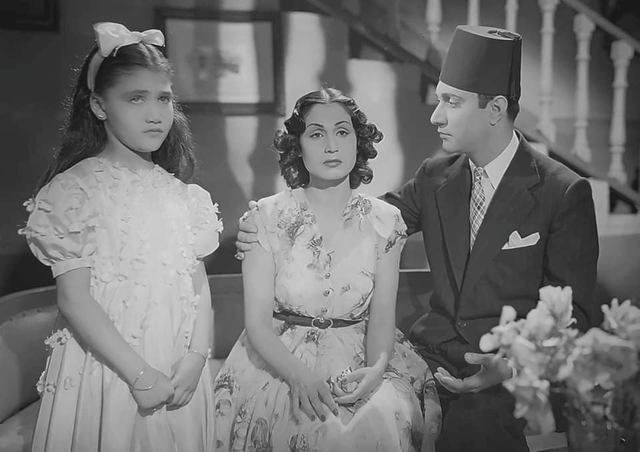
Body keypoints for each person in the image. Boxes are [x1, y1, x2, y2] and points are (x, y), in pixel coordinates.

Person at [237, 26, 599, 451]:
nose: (436, 116)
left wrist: (510, 366)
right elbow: (363, 219)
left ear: (496, 108)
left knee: (468, 434)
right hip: (430, 358)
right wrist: (275, 226)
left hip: (505, 373)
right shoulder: (435, 177)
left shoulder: (563, 191)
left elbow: (573, 316)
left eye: (452, 102)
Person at [19, 22, 222, 451]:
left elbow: (197, 287)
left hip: (179, 367)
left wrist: (196, 356)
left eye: (163, 98)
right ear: (98, 105)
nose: (155, 113)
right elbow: (75, 299)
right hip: (110, 368)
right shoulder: (73, 192)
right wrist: (138, 374)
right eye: (135, 98)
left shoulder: (185, 197)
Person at [214, 88, 440, 452]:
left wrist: (375, 371)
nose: (331, 146)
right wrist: (300, 377)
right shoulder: (265, 218)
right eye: (317, 134)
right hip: (282, 359)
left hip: (361, 353)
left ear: (358, 142)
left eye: (342, 132)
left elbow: (382, 315)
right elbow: (257, 324)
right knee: (309, 427)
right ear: (298, 146)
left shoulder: (386, 222)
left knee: (382, 415)